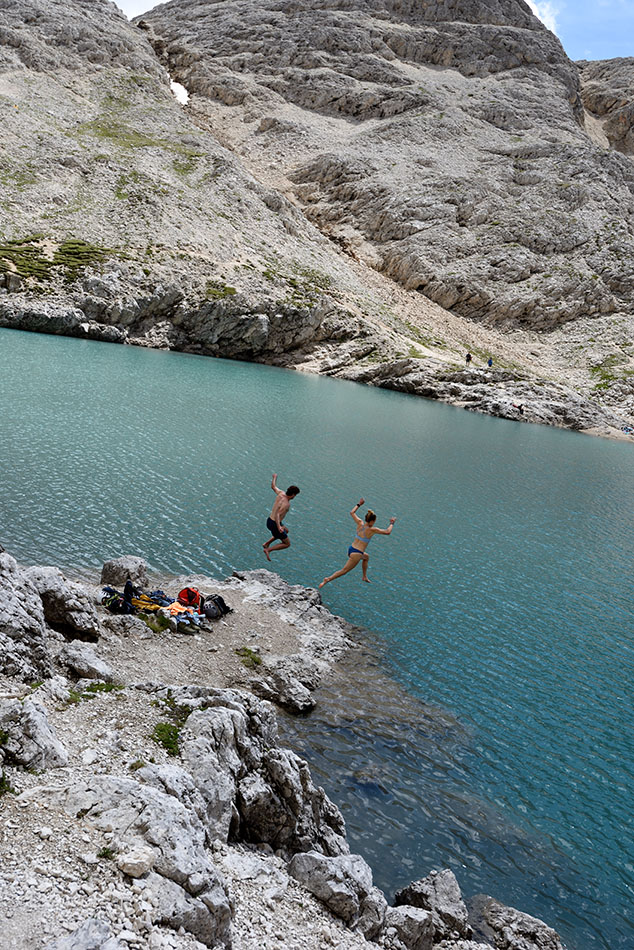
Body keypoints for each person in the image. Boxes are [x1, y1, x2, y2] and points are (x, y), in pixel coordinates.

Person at [319, 499, 395, 588]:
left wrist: (359, 504)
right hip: (357, 554)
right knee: (344, 570)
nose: (374, 523)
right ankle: (327, 579)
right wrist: (391, 523)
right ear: (371, 521)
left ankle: (364, 576)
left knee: (366, 557)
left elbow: (352, 512)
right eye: (374, 521)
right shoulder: (372, 530)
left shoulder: (360, 523)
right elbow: (387, 532)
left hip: (351, 549)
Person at [263, 474, 300, 559]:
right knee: (287, 544)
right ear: (293, 494)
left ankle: (266, 543)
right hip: (275, 524)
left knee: (286, 530)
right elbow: (278, 515)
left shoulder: (281, 493)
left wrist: (274, 478)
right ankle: (268, 550)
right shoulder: (286, 504)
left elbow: (273, 486)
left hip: (269, 520)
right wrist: (279, 526)